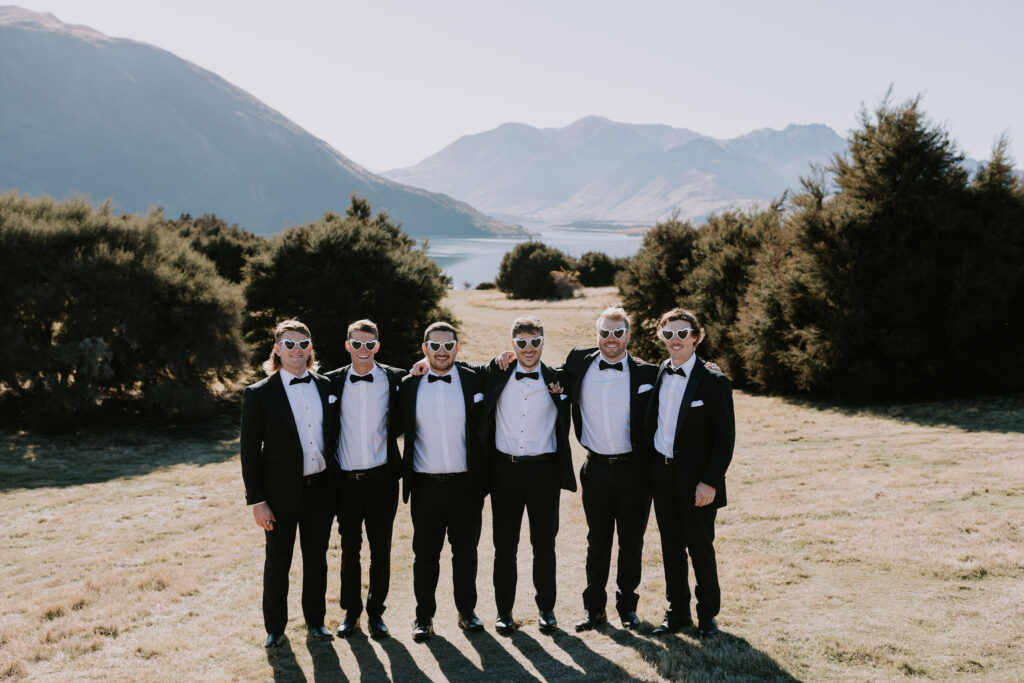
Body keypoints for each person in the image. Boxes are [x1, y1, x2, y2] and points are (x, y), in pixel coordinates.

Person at [240, 319, 339, 648]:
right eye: (290, 344)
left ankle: (316, 622)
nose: (297, 350)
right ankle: (275, 628)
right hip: (278, 495)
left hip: (320, 491)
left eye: (303, 344)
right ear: (277, 350)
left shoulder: (326, 386)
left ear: (310, 349)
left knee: (317, 559)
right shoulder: (258, 394)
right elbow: (249, 452)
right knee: (277, 561)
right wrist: (257, 500)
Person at [473, 316, 575, 635]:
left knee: (544, 544)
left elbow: (594, 359)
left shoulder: (559, 379)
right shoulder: (496, 376)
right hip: (504, 472)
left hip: (544, 472)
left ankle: (546, 609)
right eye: (521, 343)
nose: (528, 349)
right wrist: (424, 362)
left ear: (543, 342)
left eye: (534, 342)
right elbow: (455, 367)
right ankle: (504, 612)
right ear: (512, 344)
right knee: (505, 547)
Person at [558, 307, 658, 632]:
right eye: (604, 333)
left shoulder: (647, 373)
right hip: (596, 468)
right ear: (596, 334)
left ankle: (627, 607)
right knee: (597, 541)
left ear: (629, 335)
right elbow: (548, 375)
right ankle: (594, 611)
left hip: (635, 472)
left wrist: (710, 368)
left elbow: (683, 382)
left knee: (632, 542)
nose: (610, 339)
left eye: (617, 333)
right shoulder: (579, 361)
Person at [643, 308, 735, 638]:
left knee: (700, 548)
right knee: (670, 548)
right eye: (669, 334)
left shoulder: (713, 381)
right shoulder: (661, 373)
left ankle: (707, 615)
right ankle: (677, 612)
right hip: (663, 477)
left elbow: (725, 440)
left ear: (695, 337)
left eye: (683, 334)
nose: (675, 340)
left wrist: (710, 481)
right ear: (662, 338)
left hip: (698, 483)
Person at [400, 322, 488, 641]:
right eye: (434, 347)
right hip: (425, 486)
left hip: (466, 486)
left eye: (447, 346)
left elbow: (498, 371)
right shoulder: (408, 385)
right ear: (424, 349)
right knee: (425, 556)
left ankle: (467, 613)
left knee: (466, 554)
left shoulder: (472, 380)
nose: (441, 352)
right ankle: (423, 618)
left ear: (456, 348)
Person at [325, 319, 406, 639]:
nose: (363, 350)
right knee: (349, 549)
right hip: (344, 481)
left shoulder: (395, 379)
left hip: (382, 480)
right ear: (348, 346)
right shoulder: (330, 382)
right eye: (356, 344)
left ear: (377, 347)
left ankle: (376, 612)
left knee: (381, 549)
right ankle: (351, 611)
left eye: (369, 344)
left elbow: (437, 366)